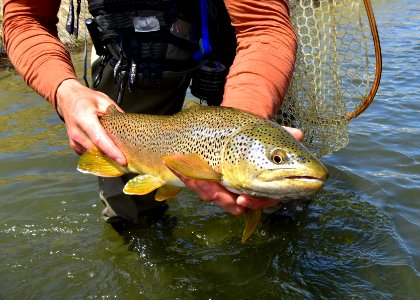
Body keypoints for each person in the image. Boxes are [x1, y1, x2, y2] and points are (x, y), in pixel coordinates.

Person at [3, 0, 300, 225]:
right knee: (129, 209)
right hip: (133, 48)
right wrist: (64, 90)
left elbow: (262, 26)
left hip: (236, 36)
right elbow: (25, 18)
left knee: (276, 190)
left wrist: (243, 124)